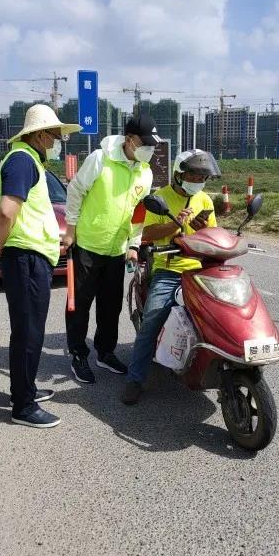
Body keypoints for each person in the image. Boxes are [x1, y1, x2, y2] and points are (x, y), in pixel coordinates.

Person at [0, 104, 81, 428]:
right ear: (39, 135)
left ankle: (24, 391)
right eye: (55, 136)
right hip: (26, 258)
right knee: (28, 332)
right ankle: (23, 407)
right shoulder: (23, 160)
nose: (57, 143)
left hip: (30, 257)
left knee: (28, 330)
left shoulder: (25, 161)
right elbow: (7, 211)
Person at [63, 114, 159, 384]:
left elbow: (138, 213)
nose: (149, 149)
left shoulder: (145, 172)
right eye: (145, 143)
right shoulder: (100, 158)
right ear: (129, 140)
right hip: (87, 245)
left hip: (116, 249)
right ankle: (78, 354)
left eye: (152, 145)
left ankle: (105, 352)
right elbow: (75, 191)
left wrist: (133, 245)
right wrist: (70, 229)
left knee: (110, 307)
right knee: (78, 305)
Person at [122, 150, 221, 405]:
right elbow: (148, 233)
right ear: (178, 175)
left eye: (202, 178)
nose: (197, 182)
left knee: (221, 313)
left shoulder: (205, 200)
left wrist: (203, 230)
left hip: (200, 268)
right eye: (192, 176)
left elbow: (212, 235)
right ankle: (135, 379)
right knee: (152, 319)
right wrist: (175, 224)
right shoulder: (159, 198)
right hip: (170, 269)